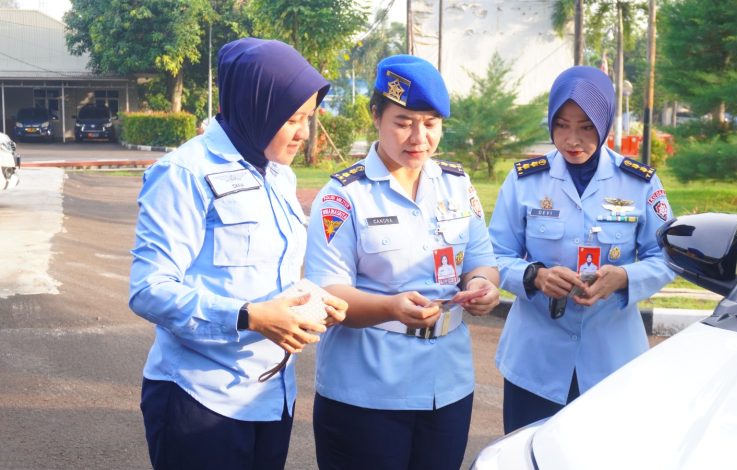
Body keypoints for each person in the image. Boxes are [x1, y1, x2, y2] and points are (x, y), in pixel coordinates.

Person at [128, 38, 347, 470]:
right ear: (256, 107)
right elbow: (149, 290)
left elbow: (268, 272)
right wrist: (249, 317)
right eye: (292, 119)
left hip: (270, 397)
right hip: (200, 398)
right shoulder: (184, 173)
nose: (304, 133)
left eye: (308, 118)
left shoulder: (277, 173)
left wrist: (311, 300)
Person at [304, 54, 501, 470]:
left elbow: (481, 259)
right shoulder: (343, 197)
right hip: (367, 391)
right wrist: (391, 308)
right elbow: (328, 293)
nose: (418, 137)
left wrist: (483, 285)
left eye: (430, 123)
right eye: (404, 122)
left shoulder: (456, 185)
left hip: (447, 386)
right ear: (376, 116)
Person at [489, 66, 675, 434]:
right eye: (561, 125)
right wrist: (535, 276)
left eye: (586, 127)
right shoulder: (525, 180)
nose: (572, 139)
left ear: (604, 123)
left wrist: (624, 278)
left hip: (612, 363)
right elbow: (494, 254)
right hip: (535, 363)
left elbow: (668, 256)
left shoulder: (639, 182)